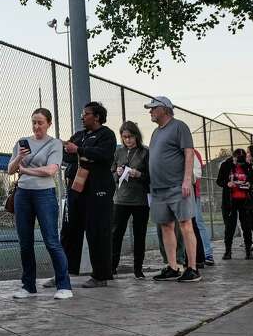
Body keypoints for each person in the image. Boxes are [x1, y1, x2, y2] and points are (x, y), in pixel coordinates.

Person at [8, 108, 73, 299]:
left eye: (40, 123)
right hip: (22, 194)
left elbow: (51, 170)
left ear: (49, 124)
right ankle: (28, 286)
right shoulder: (22, 142)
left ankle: (64, 285)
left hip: (44, 194)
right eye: (34, 122)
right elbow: (10, 169)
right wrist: (20, 157)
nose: (36, 126)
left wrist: (26, 171)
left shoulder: (54, 144)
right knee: (25, 242)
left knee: (51, 241)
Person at [58, 102, 117, 287]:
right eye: (82, 114)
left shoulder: (106, 134)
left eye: (86, 114)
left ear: (97, 116)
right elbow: (67, 155)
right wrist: (69, 150)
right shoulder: (79, 135)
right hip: (76, 190)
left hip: (97, 189)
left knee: (97, 232)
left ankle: (101, 276)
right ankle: (65, 272)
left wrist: (81, 151)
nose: (82, 117)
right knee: (69, 231)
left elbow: (104, 155)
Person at [145, 96, 201, 283]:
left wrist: (186, 181)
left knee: (185, 225)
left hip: (177, 186)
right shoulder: (155, 132)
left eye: (153, 108)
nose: (150, 111)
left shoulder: (179, 127)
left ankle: (192, 268)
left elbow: (188, 152)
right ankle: (173, 266)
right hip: (158, 189)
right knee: (166, 226)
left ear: (165, 109)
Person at [109, 121, 151, 279]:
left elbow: (151, 177)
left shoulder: (145, 152)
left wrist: (138, 174)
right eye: (124, 137)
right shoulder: (118, 152)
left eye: (130, 137)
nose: (127, 140)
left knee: (140, 234)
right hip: (120, 200)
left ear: (136, 136)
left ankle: (138, 269)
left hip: (140, 200)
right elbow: (111, 173)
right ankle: (112, 267)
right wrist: (117, 173)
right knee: (116, 234)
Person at [216, 149, 253, 260]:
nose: (239, 164)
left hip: (244, 200)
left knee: (246, 226)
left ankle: (248, 250)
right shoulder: (226, 165)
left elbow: (252, 180)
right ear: (233, 157)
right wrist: (227, 183)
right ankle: (228, 251)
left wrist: (249, 183)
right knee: (230, 227)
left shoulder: (247, 166)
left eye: (241, 162)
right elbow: (219, 181)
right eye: (237, 162)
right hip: (230, 201)